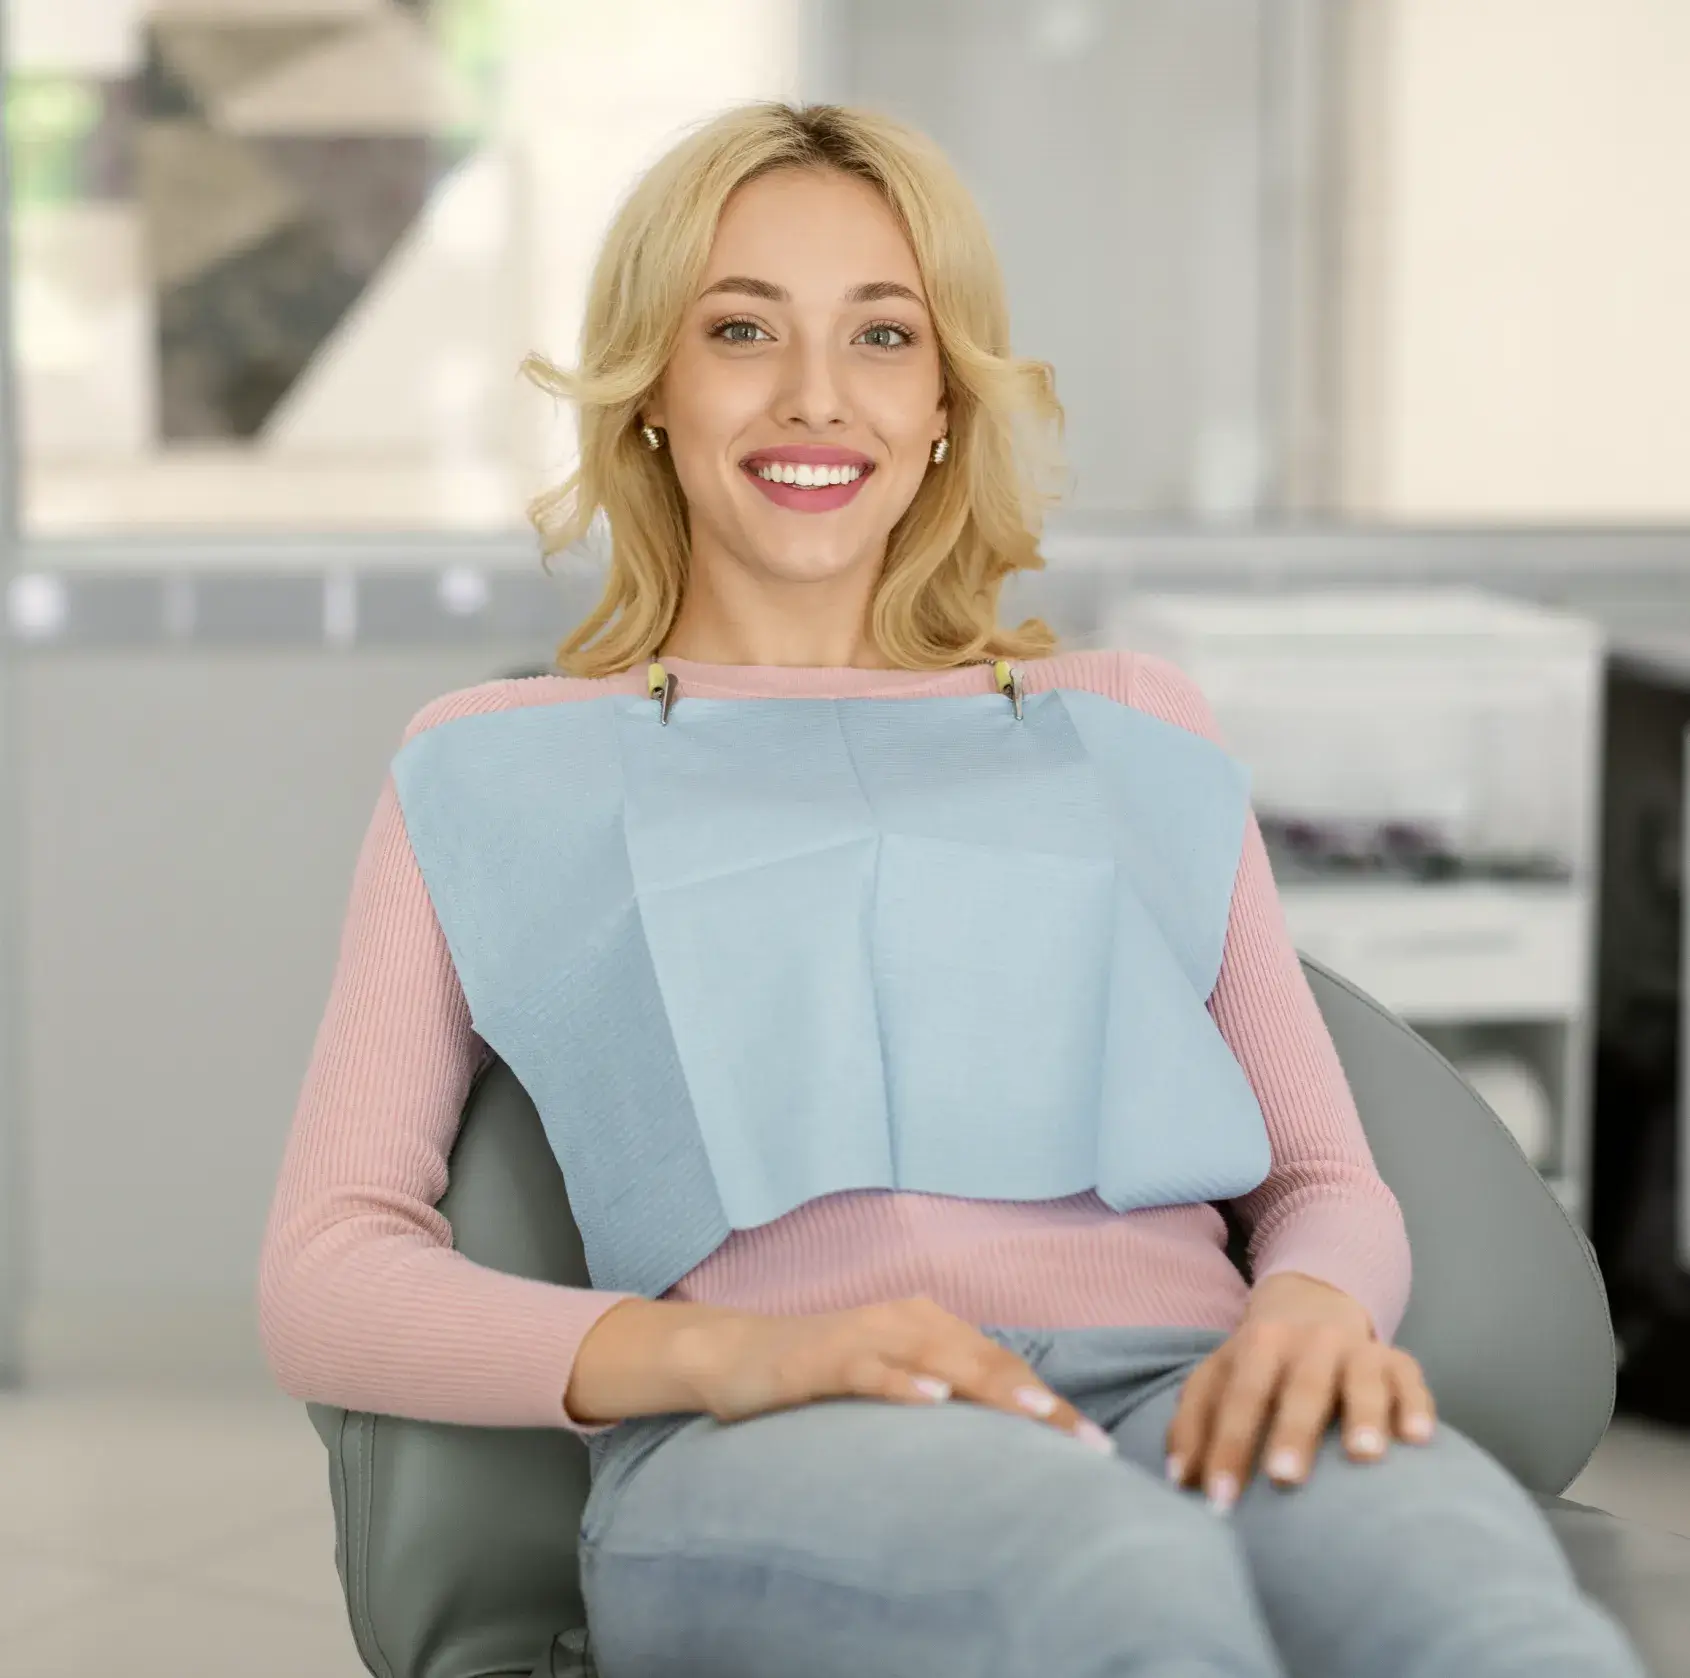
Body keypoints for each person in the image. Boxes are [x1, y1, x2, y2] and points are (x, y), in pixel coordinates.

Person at [259, 101, 1646, 1678]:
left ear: (941, 399)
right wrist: (731, 1354)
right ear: (650, 388)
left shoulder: (1128, 726)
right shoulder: (491, 768)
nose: (813, 398)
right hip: (783, 1428)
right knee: (1121, 1590)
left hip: (1198, 1381)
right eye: (739, 330)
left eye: (881, 335)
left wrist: (1312, 1313)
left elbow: (1322, 1175)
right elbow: (329, 1270)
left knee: (1490, 1622)